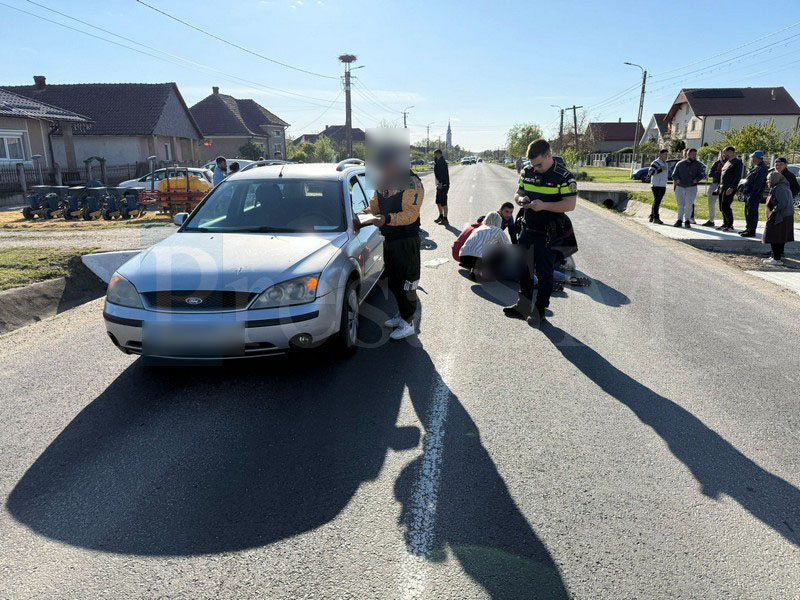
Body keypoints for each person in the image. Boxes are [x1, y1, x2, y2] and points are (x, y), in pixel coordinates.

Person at [503, 138, 577, 327]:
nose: (535, 168)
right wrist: (521, 200)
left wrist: (544, 205)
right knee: (524, 269)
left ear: (548, 155)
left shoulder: (564, 176)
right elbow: (517, 192)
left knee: (545, 274)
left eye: (539, 164)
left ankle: (540, 310)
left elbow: (570, 204)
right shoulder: (527, 171)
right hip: (528, 229)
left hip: (549, 234)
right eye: (533, 164)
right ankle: (523, 306)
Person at [361, 167, 424, 341]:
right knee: (394, 282)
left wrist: (386, 219)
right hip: (390, 238)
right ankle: (402, 314)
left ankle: (409, 322)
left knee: (407, 283)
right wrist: (364, 214)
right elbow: (375, 205)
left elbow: (410, 215)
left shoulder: (412, 182)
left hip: (406, 240)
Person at [458, 211, 510, 280]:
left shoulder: (478, 228)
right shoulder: (498, 231)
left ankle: (475, 270)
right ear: (498, 222)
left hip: (463, 258)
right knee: (502, 252)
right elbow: (508, 246)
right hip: (478, 259)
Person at [762, 169, 795, 265]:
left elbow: (782, 203)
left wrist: (773, 211)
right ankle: (775, 256)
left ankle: (776, 259)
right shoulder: (780, 187)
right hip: (783, 216)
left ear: (774, 179)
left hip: (780, 216)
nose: (767, 182)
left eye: (769, 180)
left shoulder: (780, 188)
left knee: (775, 237)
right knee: (779, 237)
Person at [671, 148, 705, 228]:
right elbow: (674, 175)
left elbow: (701, 174)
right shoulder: (680, 164)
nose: (694, 156)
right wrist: (677, 180)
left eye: (695, 154)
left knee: (689, 205)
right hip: (680, 187)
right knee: (680, 204)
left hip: (691, 187)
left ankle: (687, 220)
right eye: (693, 154)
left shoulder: (698, 164)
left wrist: (696, 180)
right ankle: (679, 220)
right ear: (688, 154)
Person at [740, 150, 768, 237]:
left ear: (757, 158)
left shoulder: (762, 168)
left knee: (752, 213)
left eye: (753, 158)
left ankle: (751, 231)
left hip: (754, 194)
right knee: (748, 212)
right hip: (750, 193)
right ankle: (748, 228)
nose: (752, 159)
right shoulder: (757, 167)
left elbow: (758, 183)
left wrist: (753, 194)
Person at [717, 146, 743, 232]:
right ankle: (725, 223)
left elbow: (737, 176)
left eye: (725, 152)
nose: (724, 154)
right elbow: (722, 176)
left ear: (731, 152)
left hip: (730, 188)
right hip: (723, 187)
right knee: (721, 207)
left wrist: (732, 187)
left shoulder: (737, 163)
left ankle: (729, 224)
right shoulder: (727, 162)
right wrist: (720, 186)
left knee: (726, 206)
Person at [700, 151, 724, 227]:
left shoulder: (730, 163)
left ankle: (727, 222)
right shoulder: (716, 163)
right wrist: (717, 171)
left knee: (724, 205)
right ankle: (711, 220)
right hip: (715, 184)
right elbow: (710, 174)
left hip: (724, 185)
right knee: (711, 203)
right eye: (721, 154)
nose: (722, 156)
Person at [647, 149, 670, 224]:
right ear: (660, 154)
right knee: (657, 201)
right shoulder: (656, 163)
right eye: (665, 155)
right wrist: (660, 170)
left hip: (662, 185)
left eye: (667, 155)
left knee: (657, 201)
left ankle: (652, 216)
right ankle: (656, 218)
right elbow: (650, 172)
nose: (666, 156)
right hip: (656, 185)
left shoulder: (665, 163)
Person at [433, 149, 450, 225]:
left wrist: (442, 183)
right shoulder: (437, 162)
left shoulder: (443, 163)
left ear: (438, 154)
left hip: (443, 185)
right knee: (438, 201)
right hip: (439, 184)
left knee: (443, 202)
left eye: (435, 154)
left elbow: (444, 174)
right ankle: (441, 216)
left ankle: (445, 219)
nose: (434, 156)